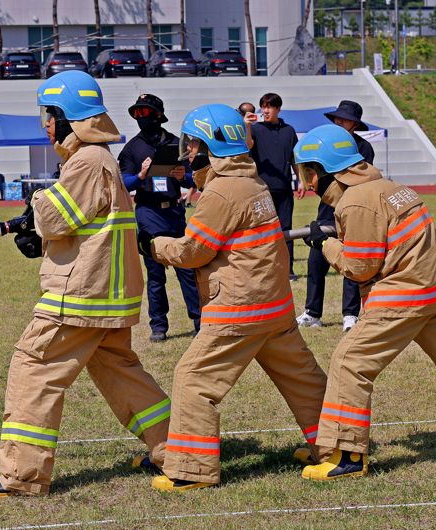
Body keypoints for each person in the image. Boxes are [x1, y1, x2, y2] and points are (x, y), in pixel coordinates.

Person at [293, 124, 436, 481]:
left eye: (309, 173)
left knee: (349, 362)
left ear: (328, 170)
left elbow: (360, 267)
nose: (308, 183)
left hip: (402, 296)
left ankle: (347, 457)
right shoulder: (393, 188)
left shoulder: (356, 201)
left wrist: (324, 245)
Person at [0, 71, 171, 498]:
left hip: (82, 295)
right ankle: (176, 449)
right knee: (121, 374)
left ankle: (22, 477)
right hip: (106, 296)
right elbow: (76, 223)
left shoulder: (87, 161)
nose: (45, 125)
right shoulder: (98, 159)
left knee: (34, 368)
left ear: (69, 118)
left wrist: (36, 214)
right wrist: (41, 232)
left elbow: (54, 217)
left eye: (50, 116)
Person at [141, 104, 330, 492]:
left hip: (238, 309)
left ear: (209, 146)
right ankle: (334, 447)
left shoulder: (222, 191)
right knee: (304, 381)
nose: (188, 151)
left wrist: (154, 245)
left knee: (192, 380)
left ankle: (191, 469)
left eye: (192, 144)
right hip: (274, 306)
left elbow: (195, 252)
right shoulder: (252, 180)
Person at [118, 94, 201, 342]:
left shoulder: (176, 143)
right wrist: (141, 175)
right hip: (148, 212)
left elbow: (193, 177)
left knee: (187, 268)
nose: (140, 117)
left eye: (145, 112)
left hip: (174, 212)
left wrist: (180, 176)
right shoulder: (132, 148)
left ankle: (199, 321)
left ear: (157, 115)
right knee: (155, 272)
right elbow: (123, 182)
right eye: (137, 113)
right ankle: (159, 326)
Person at [297, 101, 372, 332]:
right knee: (315, 262)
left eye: (344, 119)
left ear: (355, 124)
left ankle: (350, 315)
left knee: (350, 263)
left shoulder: (364, 148)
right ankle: (312, 312)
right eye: (337, 119)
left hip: (352, 212)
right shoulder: (324, 144)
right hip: (326, 212)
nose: (339, 122)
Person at [244, 93, 304, 281]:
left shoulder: (289, 130)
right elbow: (247, 146)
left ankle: (288, 270)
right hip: (261, 189)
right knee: (262, 230)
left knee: (286, 229)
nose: (266, 110)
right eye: (263, 106)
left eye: (270, 107)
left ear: (278, 109)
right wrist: (247, 126)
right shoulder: (256, 129)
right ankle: (264, 270)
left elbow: (295, 158)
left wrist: (301, 179)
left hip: (285, 189)